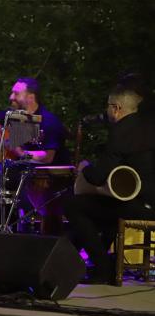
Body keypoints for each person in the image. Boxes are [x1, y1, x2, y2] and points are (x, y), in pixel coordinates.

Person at [64, 84, 155, 284]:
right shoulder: (148, 127)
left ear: (116, 108)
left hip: (138, 205)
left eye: (108, 106)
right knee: (105, 211)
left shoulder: (121, 132)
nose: (107, 111)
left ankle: (102, 268)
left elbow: (98, 177)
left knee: (73, 205)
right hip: (149, 202)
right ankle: (105, 265)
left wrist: (84, 167)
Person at [0, 77, 69, 231]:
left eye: (16, 93)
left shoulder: (48, 121)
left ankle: (18, 225)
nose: (11, 97)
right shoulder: (14, 115)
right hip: (22, 167)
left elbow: (48, 157)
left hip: (46, 174)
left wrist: (21, 152)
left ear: (30, 97)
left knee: (3, 177)